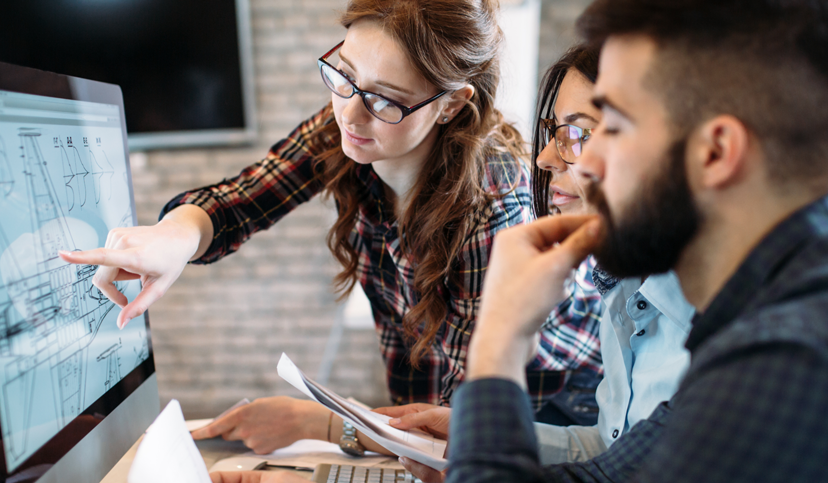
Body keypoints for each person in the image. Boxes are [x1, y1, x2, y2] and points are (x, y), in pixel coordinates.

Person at [204, 0, 828, 483]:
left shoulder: (805, 360)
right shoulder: (818, 294)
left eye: (607, 126)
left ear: (715, 150)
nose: (576, 165)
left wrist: (499, 352)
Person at [62, 0, 602, 454]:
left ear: (450, 105)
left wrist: (319, 424)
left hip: (553, 411)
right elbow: (244, 199)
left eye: (386, 99)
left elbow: (450, 425)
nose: (349, 112)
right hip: (432, 405)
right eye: (343, 73)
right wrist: (173, 238)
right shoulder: (352, 118)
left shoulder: (492, 202)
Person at [375, 44, 694, 483]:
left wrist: (501, 341)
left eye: (579, 135)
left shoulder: (720, 338)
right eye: (555, 130)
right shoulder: (623, 290)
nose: (543, 159)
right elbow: (610, 455)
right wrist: (482, 437)